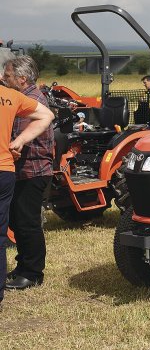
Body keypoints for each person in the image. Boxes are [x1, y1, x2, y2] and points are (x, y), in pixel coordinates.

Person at [0, 59, 54, 307]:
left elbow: (19, 135)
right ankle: (23, 266)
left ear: (22, 79)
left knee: (27, 222)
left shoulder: (33, 99)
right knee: (18, 221)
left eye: (8, 75)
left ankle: (32, 273)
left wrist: (16, 143)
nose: (4, 78)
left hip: (32, 169)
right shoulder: (22, 96)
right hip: (22, 169)